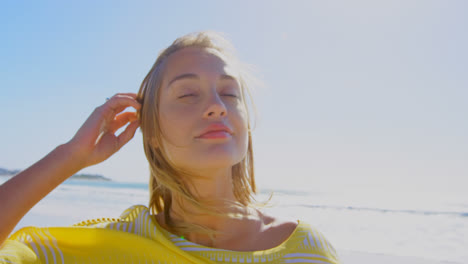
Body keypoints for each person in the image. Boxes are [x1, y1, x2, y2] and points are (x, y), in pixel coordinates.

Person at [0, 31, 341, 263]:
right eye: (188, 94)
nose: (217, 105)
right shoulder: (103, 248)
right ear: (151, 131)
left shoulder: (305, 252)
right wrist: (70, 155)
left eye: (230, 93)